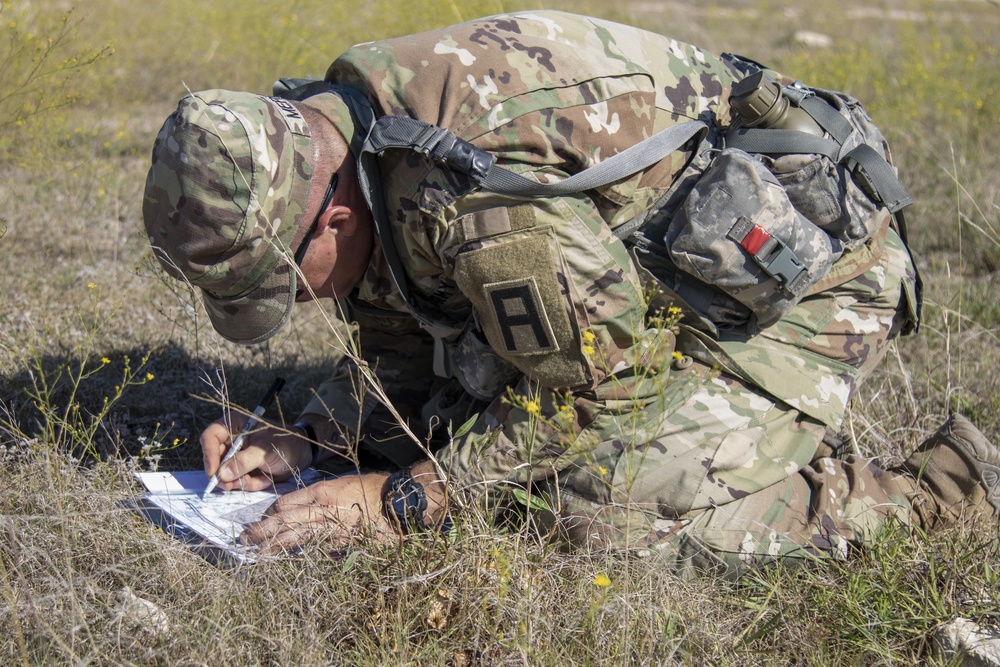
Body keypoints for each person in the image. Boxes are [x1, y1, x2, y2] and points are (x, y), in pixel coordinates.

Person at [142, 10, 999, 578]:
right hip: (647, 281)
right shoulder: (338, 130)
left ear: (329, 214)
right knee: (462, 425)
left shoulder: (470, 197)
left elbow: (597, 392)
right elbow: (402, 311)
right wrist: (322, 430)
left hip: (804, 281)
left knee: (597, 514)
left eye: (286, 284)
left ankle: (936, 489)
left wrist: (402, 502)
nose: (296, 304)